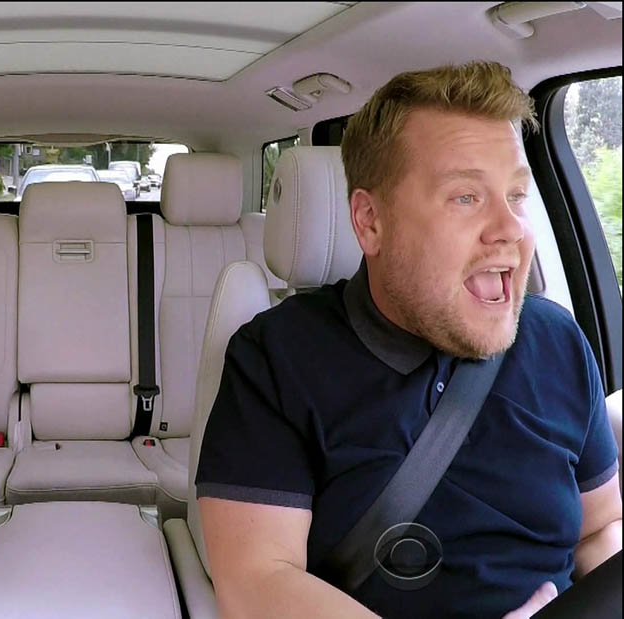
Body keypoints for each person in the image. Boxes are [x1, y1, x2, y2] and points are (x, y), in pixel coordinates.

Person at [195, 61, 622, 618]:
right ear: (370, 221)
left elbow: (600, 529)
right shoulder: (277, 357)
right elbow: (256, 579)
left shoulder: (559, 341)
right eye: (466, 197)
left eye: (517, 195)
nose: (511, 229)